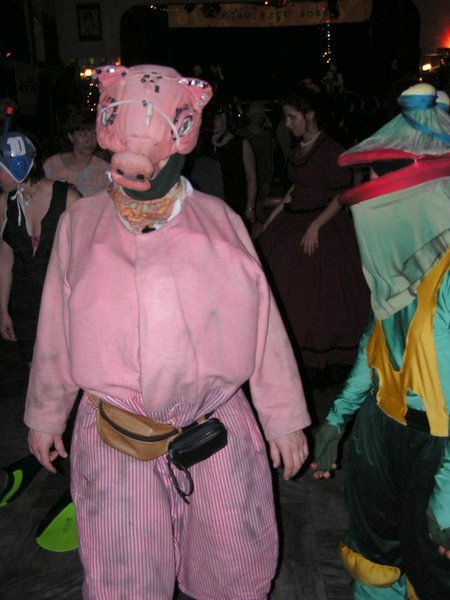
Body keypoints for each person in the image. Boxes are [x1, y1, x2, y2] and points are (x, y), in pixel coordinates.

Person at [25, 64, 311, 600]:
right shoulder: (80, 225)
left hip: (214, 423)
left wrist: (284, 419)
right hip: (114, 429)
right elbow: (55, 331)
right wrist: (45, 414)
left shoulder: (218, 222)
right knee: (125, 574)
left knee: (231, 563)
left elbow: (265, 324)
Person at [312, 83, 450, 599]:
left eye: (380, 175)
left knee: (431, 568)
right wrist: (338, 418)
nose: (370, 186)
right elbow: (375, 345)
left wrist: (448, 502)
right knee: (374, 558)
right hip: (380, 432)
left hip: (436, 452)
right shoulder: (401, 268)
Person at [258, 88, 370, 388]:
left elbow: (342, 195)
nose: (287, 124)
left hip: (323, 223)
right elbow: (294, 189)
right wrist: (271, 220)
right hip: (294, 219)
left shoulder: (331, 150)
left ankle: (322, 359)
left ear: (309, 115)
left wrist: (316, 226)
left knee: (321, 295)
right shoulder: (298, 149)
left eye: (292, 117)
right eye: (286, 118)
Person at [0, 131, 80, 364]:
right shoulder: (4, 203)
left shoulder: (69, 198)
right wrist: (3, 310)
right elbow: (5, 260)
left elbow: (83, 261)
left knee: (65, 369)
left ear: (17, 166)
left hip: (61, 303)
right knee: (32, 368)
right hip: (24, 305)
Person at [44, 109, 110, 197]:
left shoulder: (105, 170)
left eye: (94, 135)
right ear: (71, 137)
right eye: (83, 135)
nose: (89, 141)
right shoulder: (52, 166)